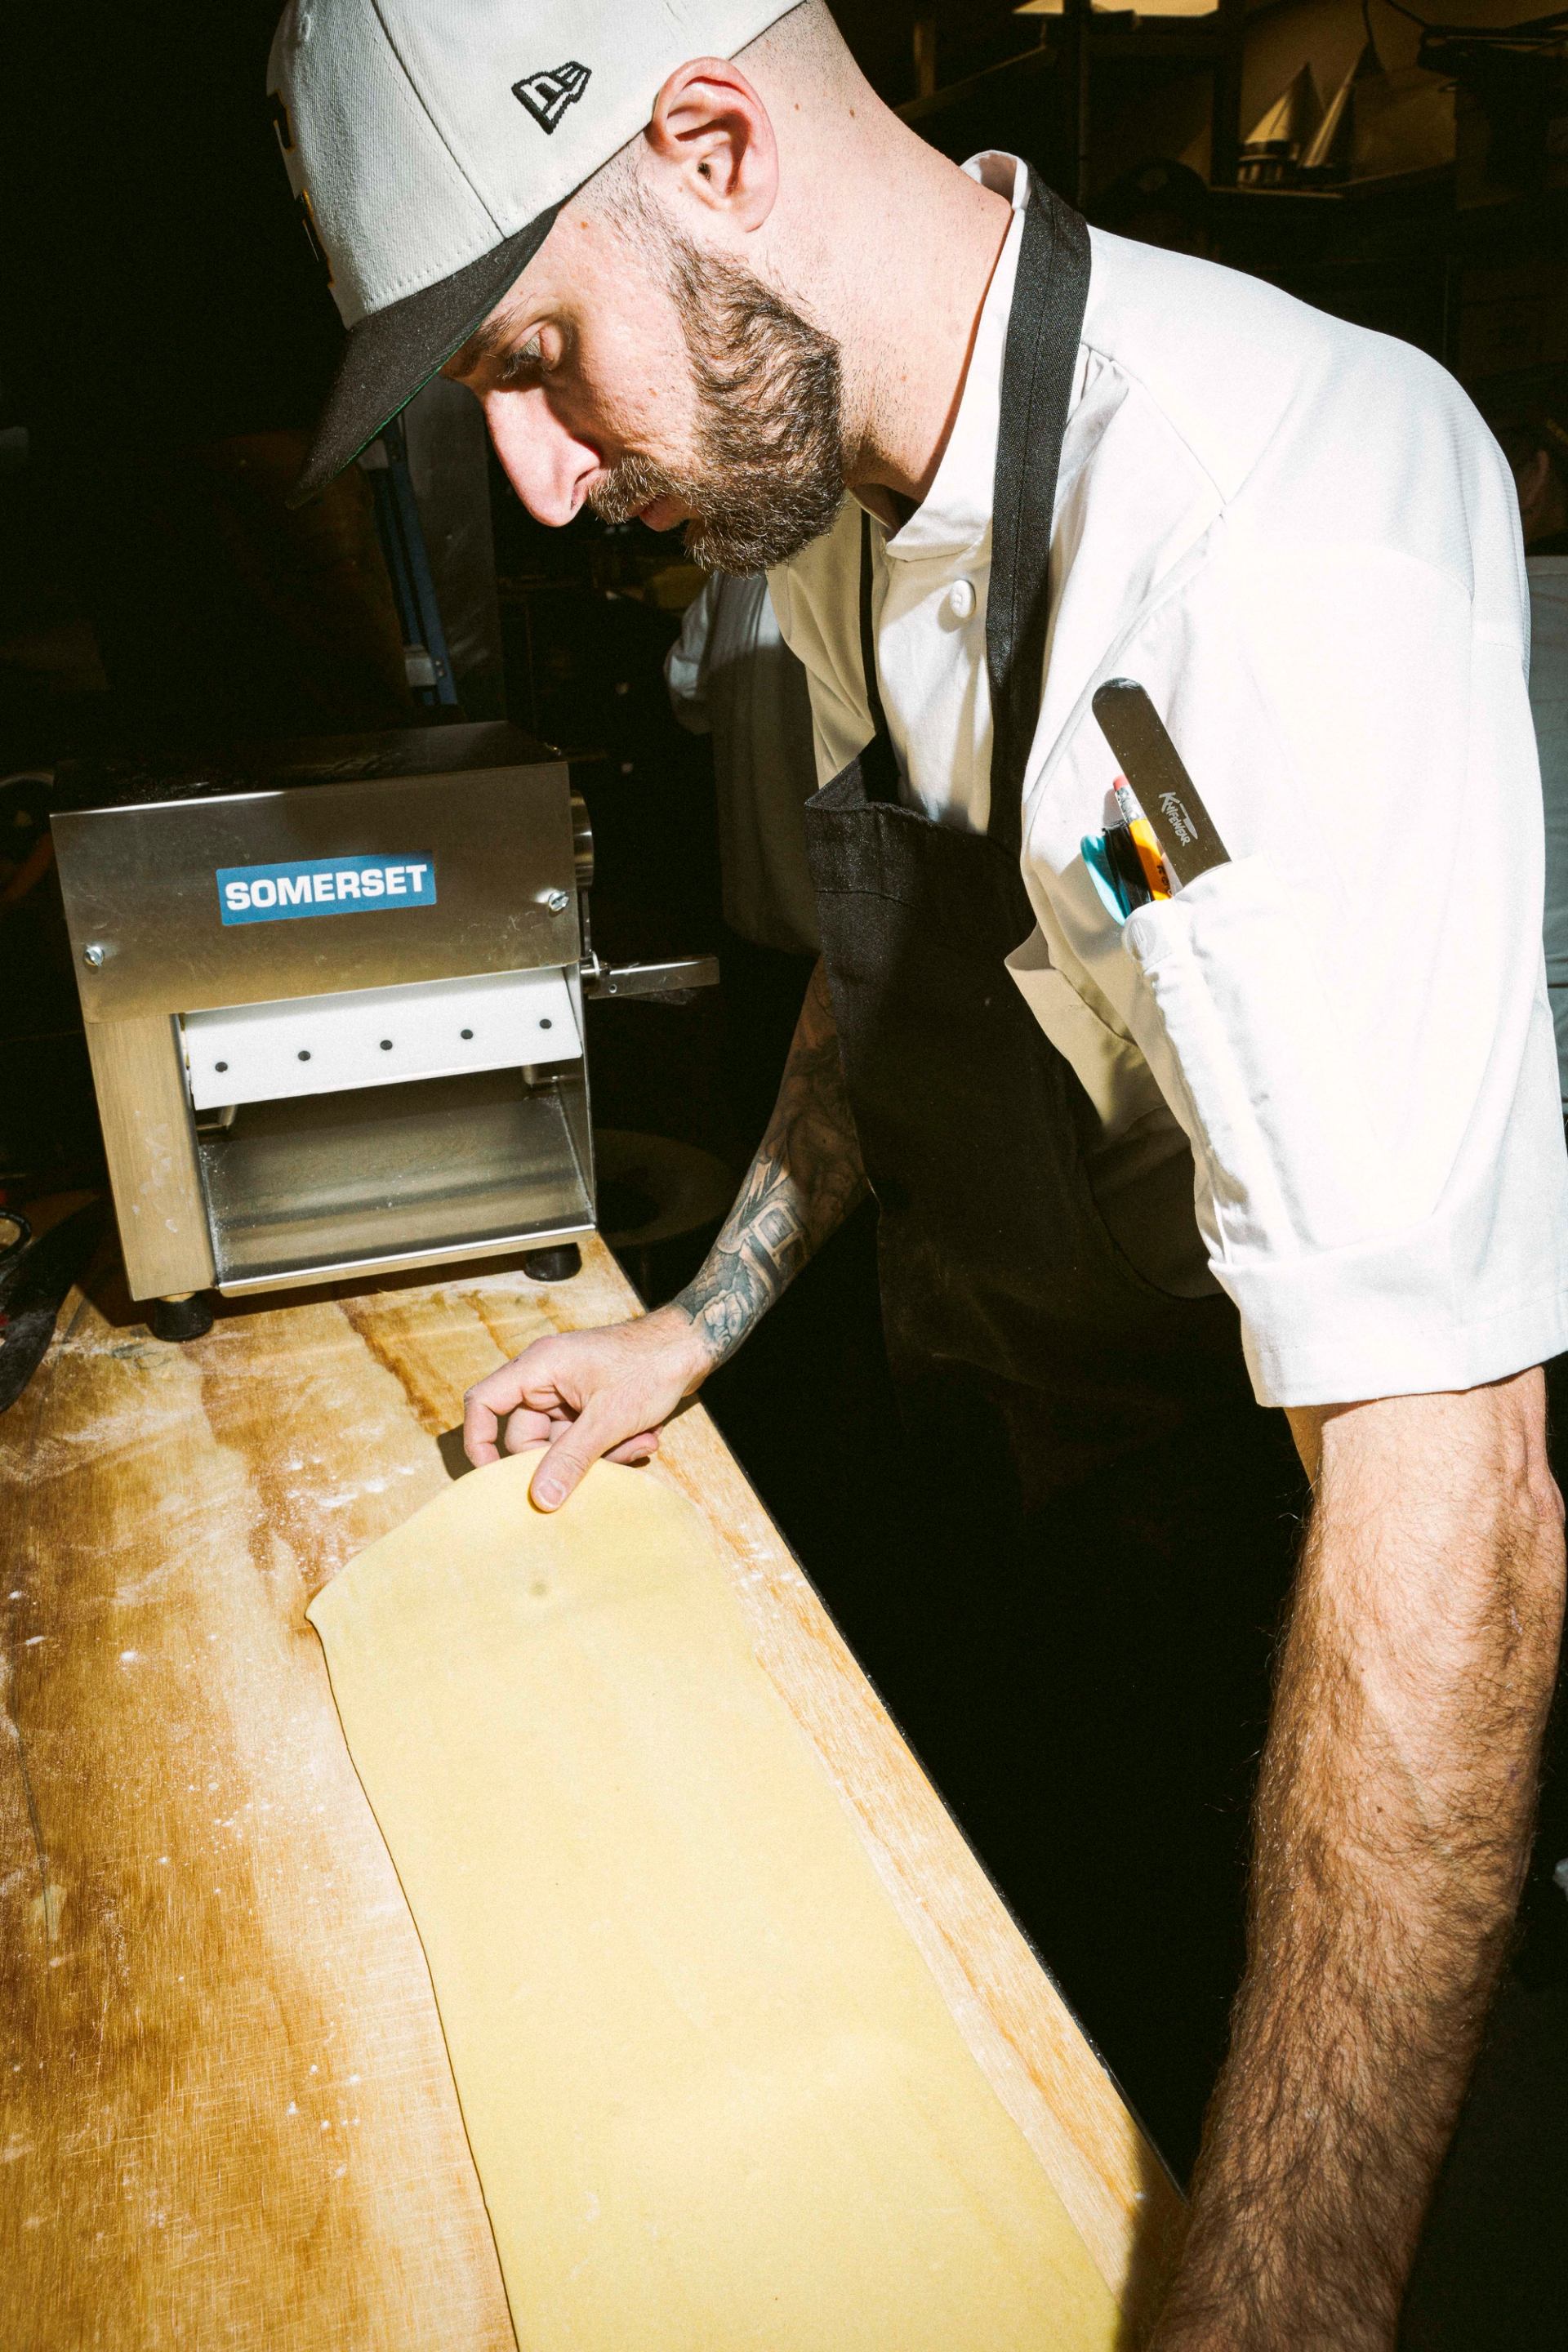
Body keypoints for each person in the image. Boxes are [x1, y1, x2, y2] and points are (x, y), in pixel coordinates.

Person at [270, 5, 1568, 2342]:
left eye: (538, 359)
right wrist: (694, 1325)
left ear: (720, 140)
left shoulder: (1274, 535)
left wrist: (1281, 2305)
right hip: (1029, 1481)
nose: (547, 487)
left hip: (1328, 1633)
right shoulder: (823, 504)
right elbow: (896, 992)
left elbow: (1449, 1496)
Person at [665, 568, 820, 1129]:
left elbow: (686, 689)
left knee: (758, 1125)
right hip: (838, 950)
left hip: (749, 923)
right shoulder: (878, 554)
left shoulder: (735, 566)